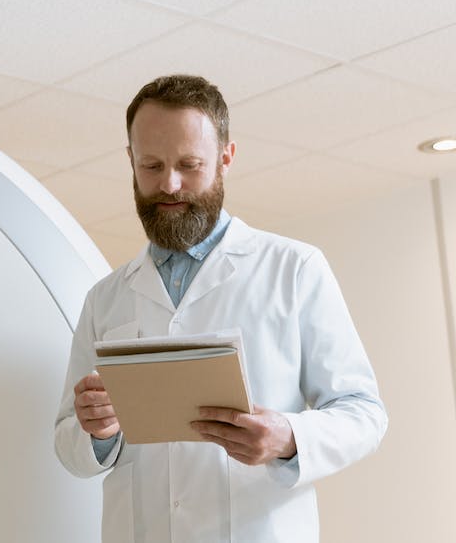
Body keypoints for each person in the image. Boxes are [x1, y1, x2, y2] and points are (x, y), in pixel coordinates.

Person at [53, 74, 387, 543]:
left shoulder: (294, 268)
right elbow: (68, 440)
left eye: (189, 164)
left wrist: (288, 437)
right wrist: (97, 431)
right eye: (151, 165)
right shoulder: (105, 298)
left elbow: (364, 413)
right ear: (130, 160)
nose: (169, 184)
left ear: (226, 157)